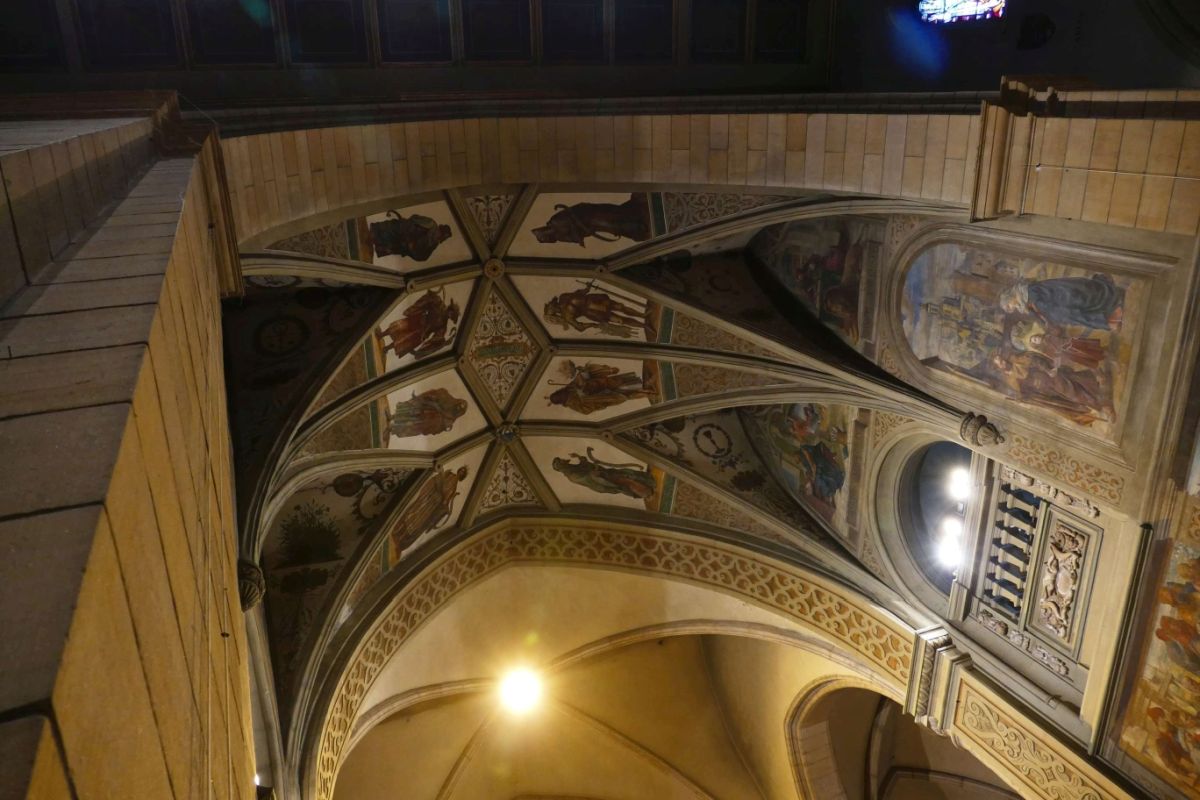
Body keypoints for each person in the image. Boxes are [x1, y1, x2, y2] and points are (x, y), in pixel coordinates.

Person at [388, 466, 468, 560]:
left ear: (462, 476)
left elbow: (446, 499)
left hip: (432, 506)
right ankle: (396, 532)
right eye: (461, 470)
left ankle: (401, 543)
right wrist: (441, 479)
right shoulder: (449, 474)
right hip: (428, 498)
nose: (461, 472)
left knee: (417, 523)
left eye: (463, 473)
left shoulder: (454, 487)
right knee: (412, 513)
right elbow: (438, 482)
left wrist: (446, 502)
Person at [998, 273, 1125, 331]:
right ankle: (1110, 317)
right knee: (1077, 315)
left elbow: (1046, 303)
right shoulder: (1024, 299)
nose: (1012, 308)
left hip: (1064, 297)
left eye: (1009, 305)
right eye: (1010, 309)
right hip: (1061, 303)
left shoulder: (1028, 292)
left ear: (1010, 297)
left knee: (1081, 310)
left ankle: (1111, 317)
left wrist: (1049, 317)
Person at [378, 288, 460, 360]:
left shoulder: (443, 325)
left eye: (452, 316)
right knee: (398, 326)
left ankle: (386, 349)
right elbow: (427, 300)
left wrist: (442, 343)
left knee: (402, 340)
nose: (450, 316)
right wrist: (429, 298)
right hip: (417, 320)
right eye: (451, 314)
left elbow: (438, 337)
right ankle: (382, 334)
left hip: (421, 333)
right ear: (450, 309)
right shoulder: (438, 302)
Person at [546, 361, 656, 414]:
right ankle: (649, 392)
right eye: (560, 395)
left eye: (559, 393)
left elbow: (580, 380)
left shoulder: (569, 389)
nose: (561, 393)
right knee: (627, 393)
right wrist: (583, 394)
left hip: (603, 384)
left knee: (626, 384)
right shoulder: (573, 404)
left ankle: (647, 384)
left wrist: (582, 374)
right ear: (561, 399)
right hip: (604, 395)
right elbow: (587, 410)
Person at [552, 449, 656, 499]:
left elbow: (583, 465)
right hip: (604, 481)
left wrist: (578, 456)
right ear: (562, 465)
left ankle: (647, 481)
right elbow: (587, 477)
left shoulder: (572, 469)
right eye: (561, 461)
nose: (564, 459)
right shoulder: (571, 475)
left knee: (626, 474)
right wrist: (594, 472)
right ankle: (647, 492)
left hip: (604, 475)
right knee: (627, 482)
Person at [368, 211, 453, 261]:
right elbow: (414, 219)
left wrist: (412, 249)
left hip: (405, 245)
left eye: (442, 237)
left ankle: (377, 244)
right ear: (440, 229)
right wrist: (409, 232)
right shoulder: (431, 223)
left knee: (394, 246)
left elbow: (423, 257)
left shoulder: (434, 244)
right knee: (393, 229)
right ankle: (374, 233)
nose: (439, 237)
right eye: (441, 234)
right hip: (404, 231)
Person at [388, 388, 468, 439]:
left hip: (423, 422)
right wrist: (431, 400)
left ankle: (392, 429)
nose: (457, 408)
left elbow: (438, 428)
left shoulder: (450, 421)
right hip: (422, 409)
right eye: (458, 405)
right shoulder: (446, 396)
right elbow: (436, 394)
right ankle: (392, 417)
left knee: (410, 425)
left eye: (460, 409)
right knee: (409, 411)